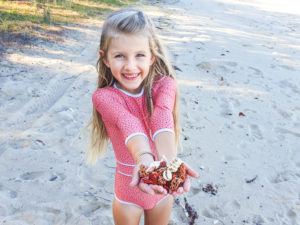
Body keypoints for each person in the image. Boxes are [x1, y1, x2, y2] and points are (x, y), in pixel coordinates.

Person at [87, 8, 199, 225]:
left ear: (152, 57)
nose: (130, 66)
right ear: (105, 58)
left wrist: (171, 165)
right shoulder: (104, 97)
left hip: (162, 191)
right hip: (128, 195)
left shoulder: (165, 85)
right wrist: (145, 161)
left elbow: (162, 118)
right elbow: (129, 124)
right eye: (119, 56)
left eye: (139, 55)